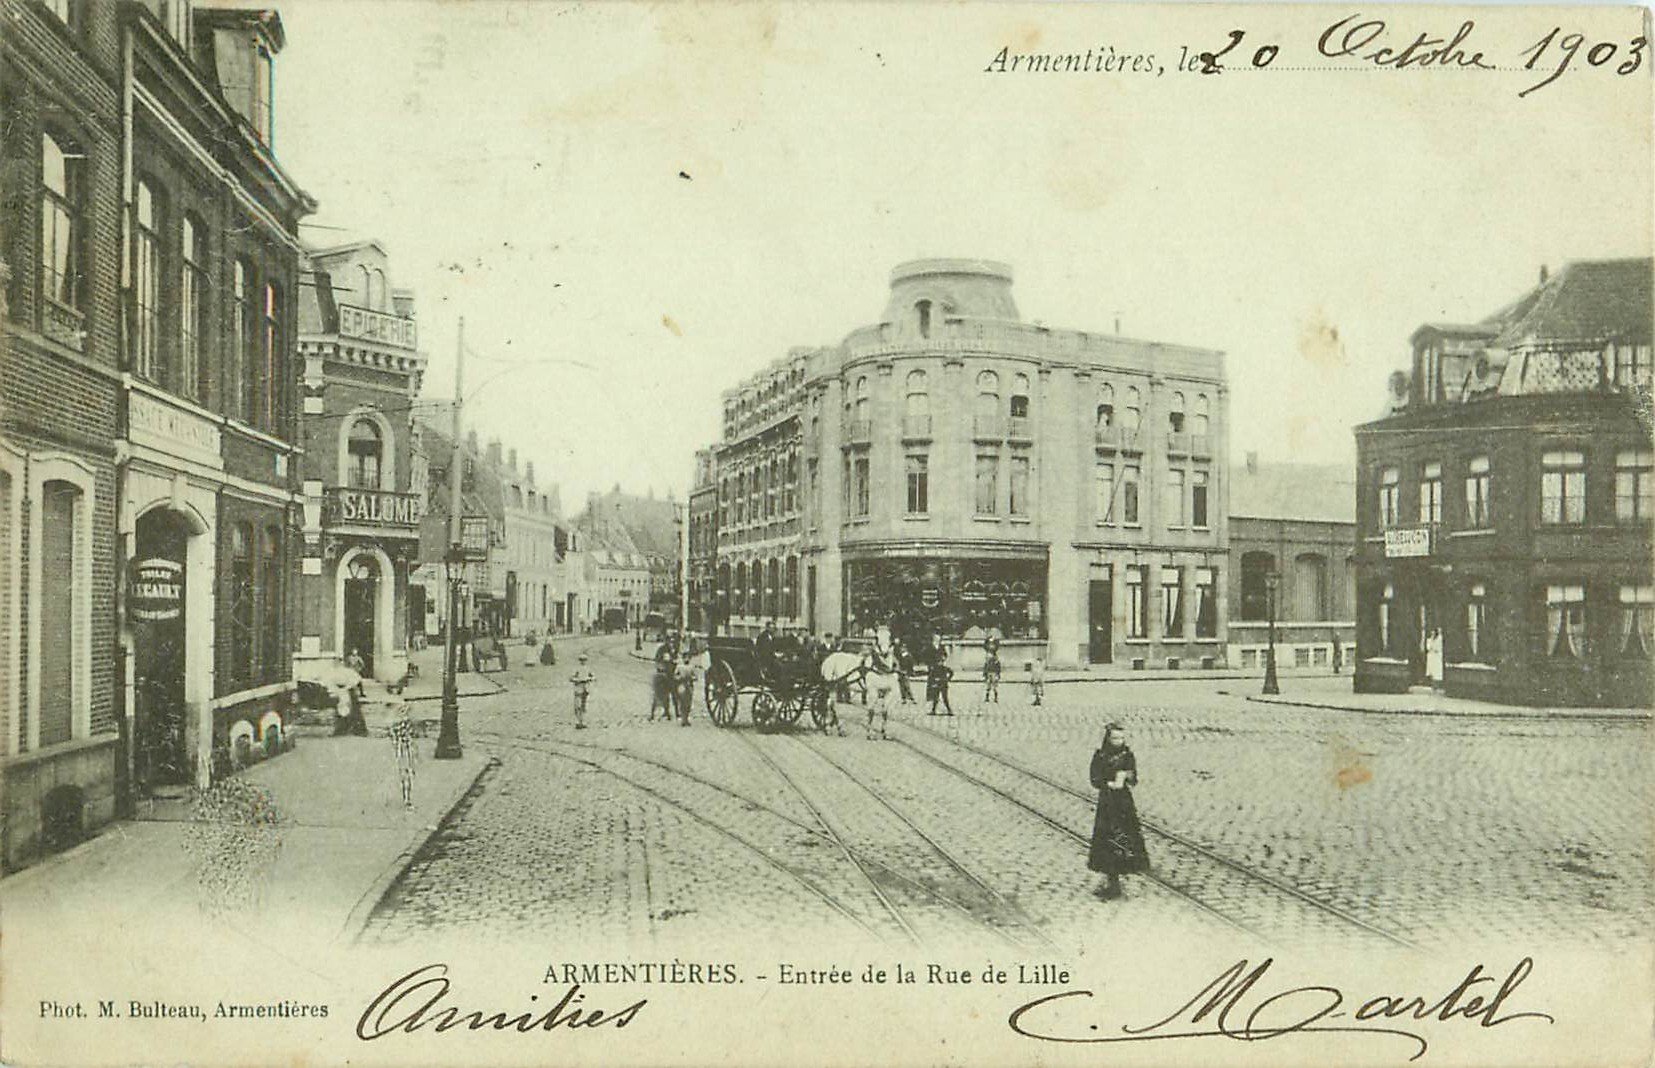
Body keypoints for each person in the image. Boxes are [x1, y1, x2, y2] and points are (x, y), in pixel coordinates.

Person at [1088, 722, 1149, 900]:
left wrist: (1128, 776)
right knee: (1107, 839)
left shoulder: (1127, 755)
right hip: (1107, 802)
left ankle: (1125, 873)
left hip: (1124, 803)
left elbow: (1134, 778)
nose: (1119, 741)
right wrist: (1108, 783)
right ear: (1108, 738)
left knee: (1125, 837)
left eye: (1121, 737)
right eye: (1115, 737)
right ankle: (1111, 880)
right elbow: (1094, 778)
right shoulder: (1100, 755)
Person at [864, 625, 898, 741]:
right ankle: (870, 728)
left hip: (888, 671)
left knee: (889, 701)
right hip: (875, 674)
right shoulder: (874, 654)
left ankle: (885, 728)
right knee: (872, 700)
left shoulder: (890, 652)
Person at [388, 702, 417, 809]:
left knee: (407, 773)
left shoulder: (399, 724)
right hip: (403, 750)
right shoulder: (400, 724)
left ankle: (407, 798)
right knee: (405, 773)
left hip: (405, 749)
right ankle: (406, 798)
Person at [925, 633, 953, 716]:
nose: (938, 640)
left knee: (944, 696)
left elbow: (945, 655)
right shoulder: (929, 647)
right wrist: (930, 665)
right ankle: (933, 709)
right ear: (933, 639)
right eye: (936, 639)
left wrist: (943, 658)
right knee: (935, 694)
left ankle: (948, 710)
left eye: (939, 639)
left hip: (941, 677)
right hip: (933, 668)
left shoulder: (941, 647)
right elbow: (926, 656)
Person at [651, 635, 678, 721]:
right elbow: (658, 660)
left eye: (672, 641)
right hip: (663, 675)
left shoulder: (674, 649)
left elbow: (676, 659)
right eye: (670, 641)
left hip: (672, 675)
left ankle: (676, 712)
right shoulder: (662, 649)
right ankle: (653, 714)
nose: (671, 643)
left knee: (674, 694)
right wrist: (661, 668)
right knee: (659, 695)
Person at [570, 653, 594, 730]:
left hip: (585, 688)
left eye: (584, 660)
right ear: (579, 661)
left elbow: (593, 676)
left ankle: (582, 721)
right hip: (578, 688)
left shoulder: (588, 669)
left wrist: (589, 679)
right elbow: (571, 678)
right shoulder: (577, 669)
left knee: (584, 705)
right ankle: (578, 721)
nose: (583, 661)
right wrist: (577, 680)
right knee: (577, 705)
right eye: (582, 660)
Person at [893, 636, 917, 705]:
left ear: (906, 649)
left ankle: (912, 698)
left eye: (903, 648)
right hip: (900, 671)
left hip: (906, 672)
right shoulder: (900, 655)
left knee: (907, 686)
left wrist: (910, 672)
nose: (902, 649)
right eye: (901, 648)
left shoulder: (909, 656)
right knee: (901, 686)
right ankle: (903, 698)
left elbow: (911, 665)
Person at [982, 635, 1002, 704]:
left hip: (993, 672)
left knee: (994, 686)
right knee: (988, 686)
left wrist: (998, 674)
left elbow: (998, 666)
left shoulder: (995, 658)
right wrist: (984, 673)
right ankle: (987, 697)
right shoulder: (988, 658)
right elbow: (986, 665)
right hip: (989, 672)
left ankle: (995, 698)